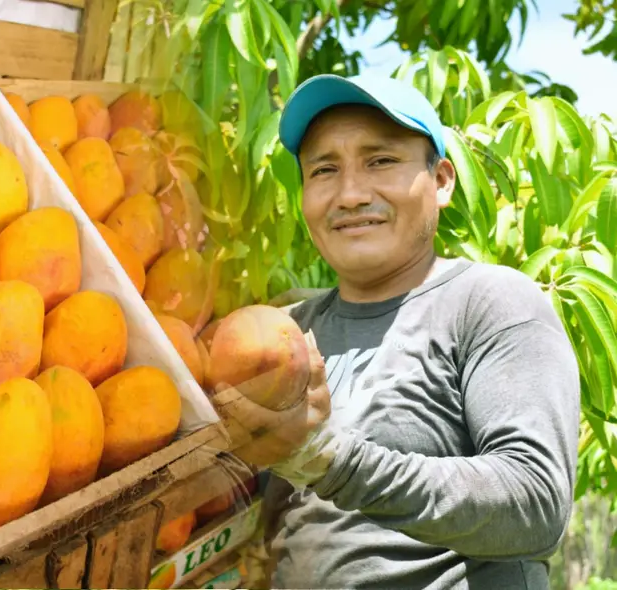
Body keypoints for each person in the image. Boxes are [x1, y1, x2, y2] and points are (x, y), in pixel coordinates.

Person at [222, 74, 582, 589]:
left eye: (380, 161)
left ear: (441, 181)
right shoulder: (290, 331)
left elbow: (535, 503)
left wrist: (329, 459)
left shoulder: (490, 302)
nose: (349, 194)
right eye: (324, 170)